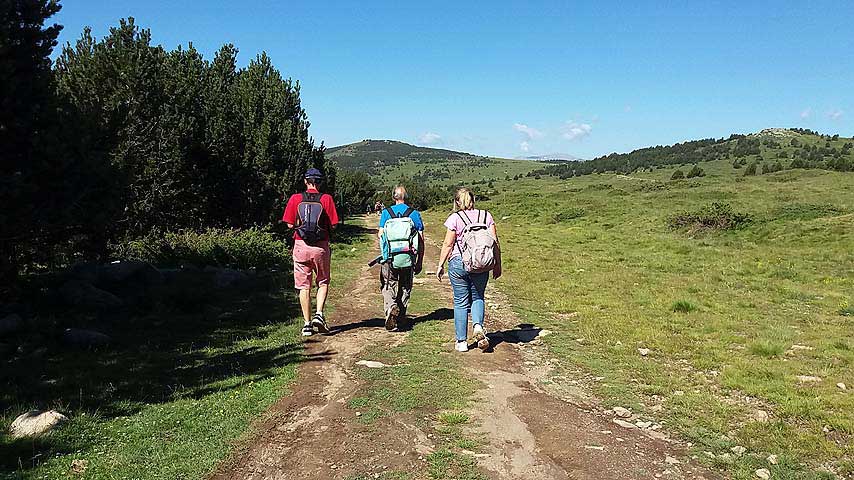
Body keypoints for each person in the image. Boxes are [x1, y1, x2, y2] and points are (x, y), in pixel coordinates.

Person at [435, 188, 502, 352]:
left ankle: (462, 342)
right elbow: (495, 242)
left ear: (457, 202)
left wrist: (440, 265)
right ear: (473, 200)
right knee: (478, 296)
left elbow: (448, 244)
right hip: (482, 263)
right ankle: (478, 326)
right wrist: (497, 264)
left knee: (460, 302)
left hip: (459, 263)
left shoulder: (455, 218)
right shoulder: (486, 216)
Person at [282, 168, 340, 336]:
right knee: (323, 281)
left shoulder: (295, 198)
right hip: (321, 246)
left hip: (301, 245)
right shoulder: (327, 199)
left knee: (303, 286)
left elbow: (289, 224)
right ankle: (319, 314)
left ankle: (307, 325)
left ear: (305, 181)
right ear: (320, 182)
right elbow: (334, 224)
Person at [378, 185, 425, 330]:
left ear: (394, 197)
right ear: (406, 197)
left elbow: (380, 235)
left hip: (390, 257)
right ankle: (400, 316)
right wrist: (419, 261)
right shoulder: (414, 214)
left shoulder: (386, 213)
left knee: (388, 284)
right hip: (407, 257)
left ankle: (391, 308)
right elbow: (421, 239)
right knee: (405, 286)